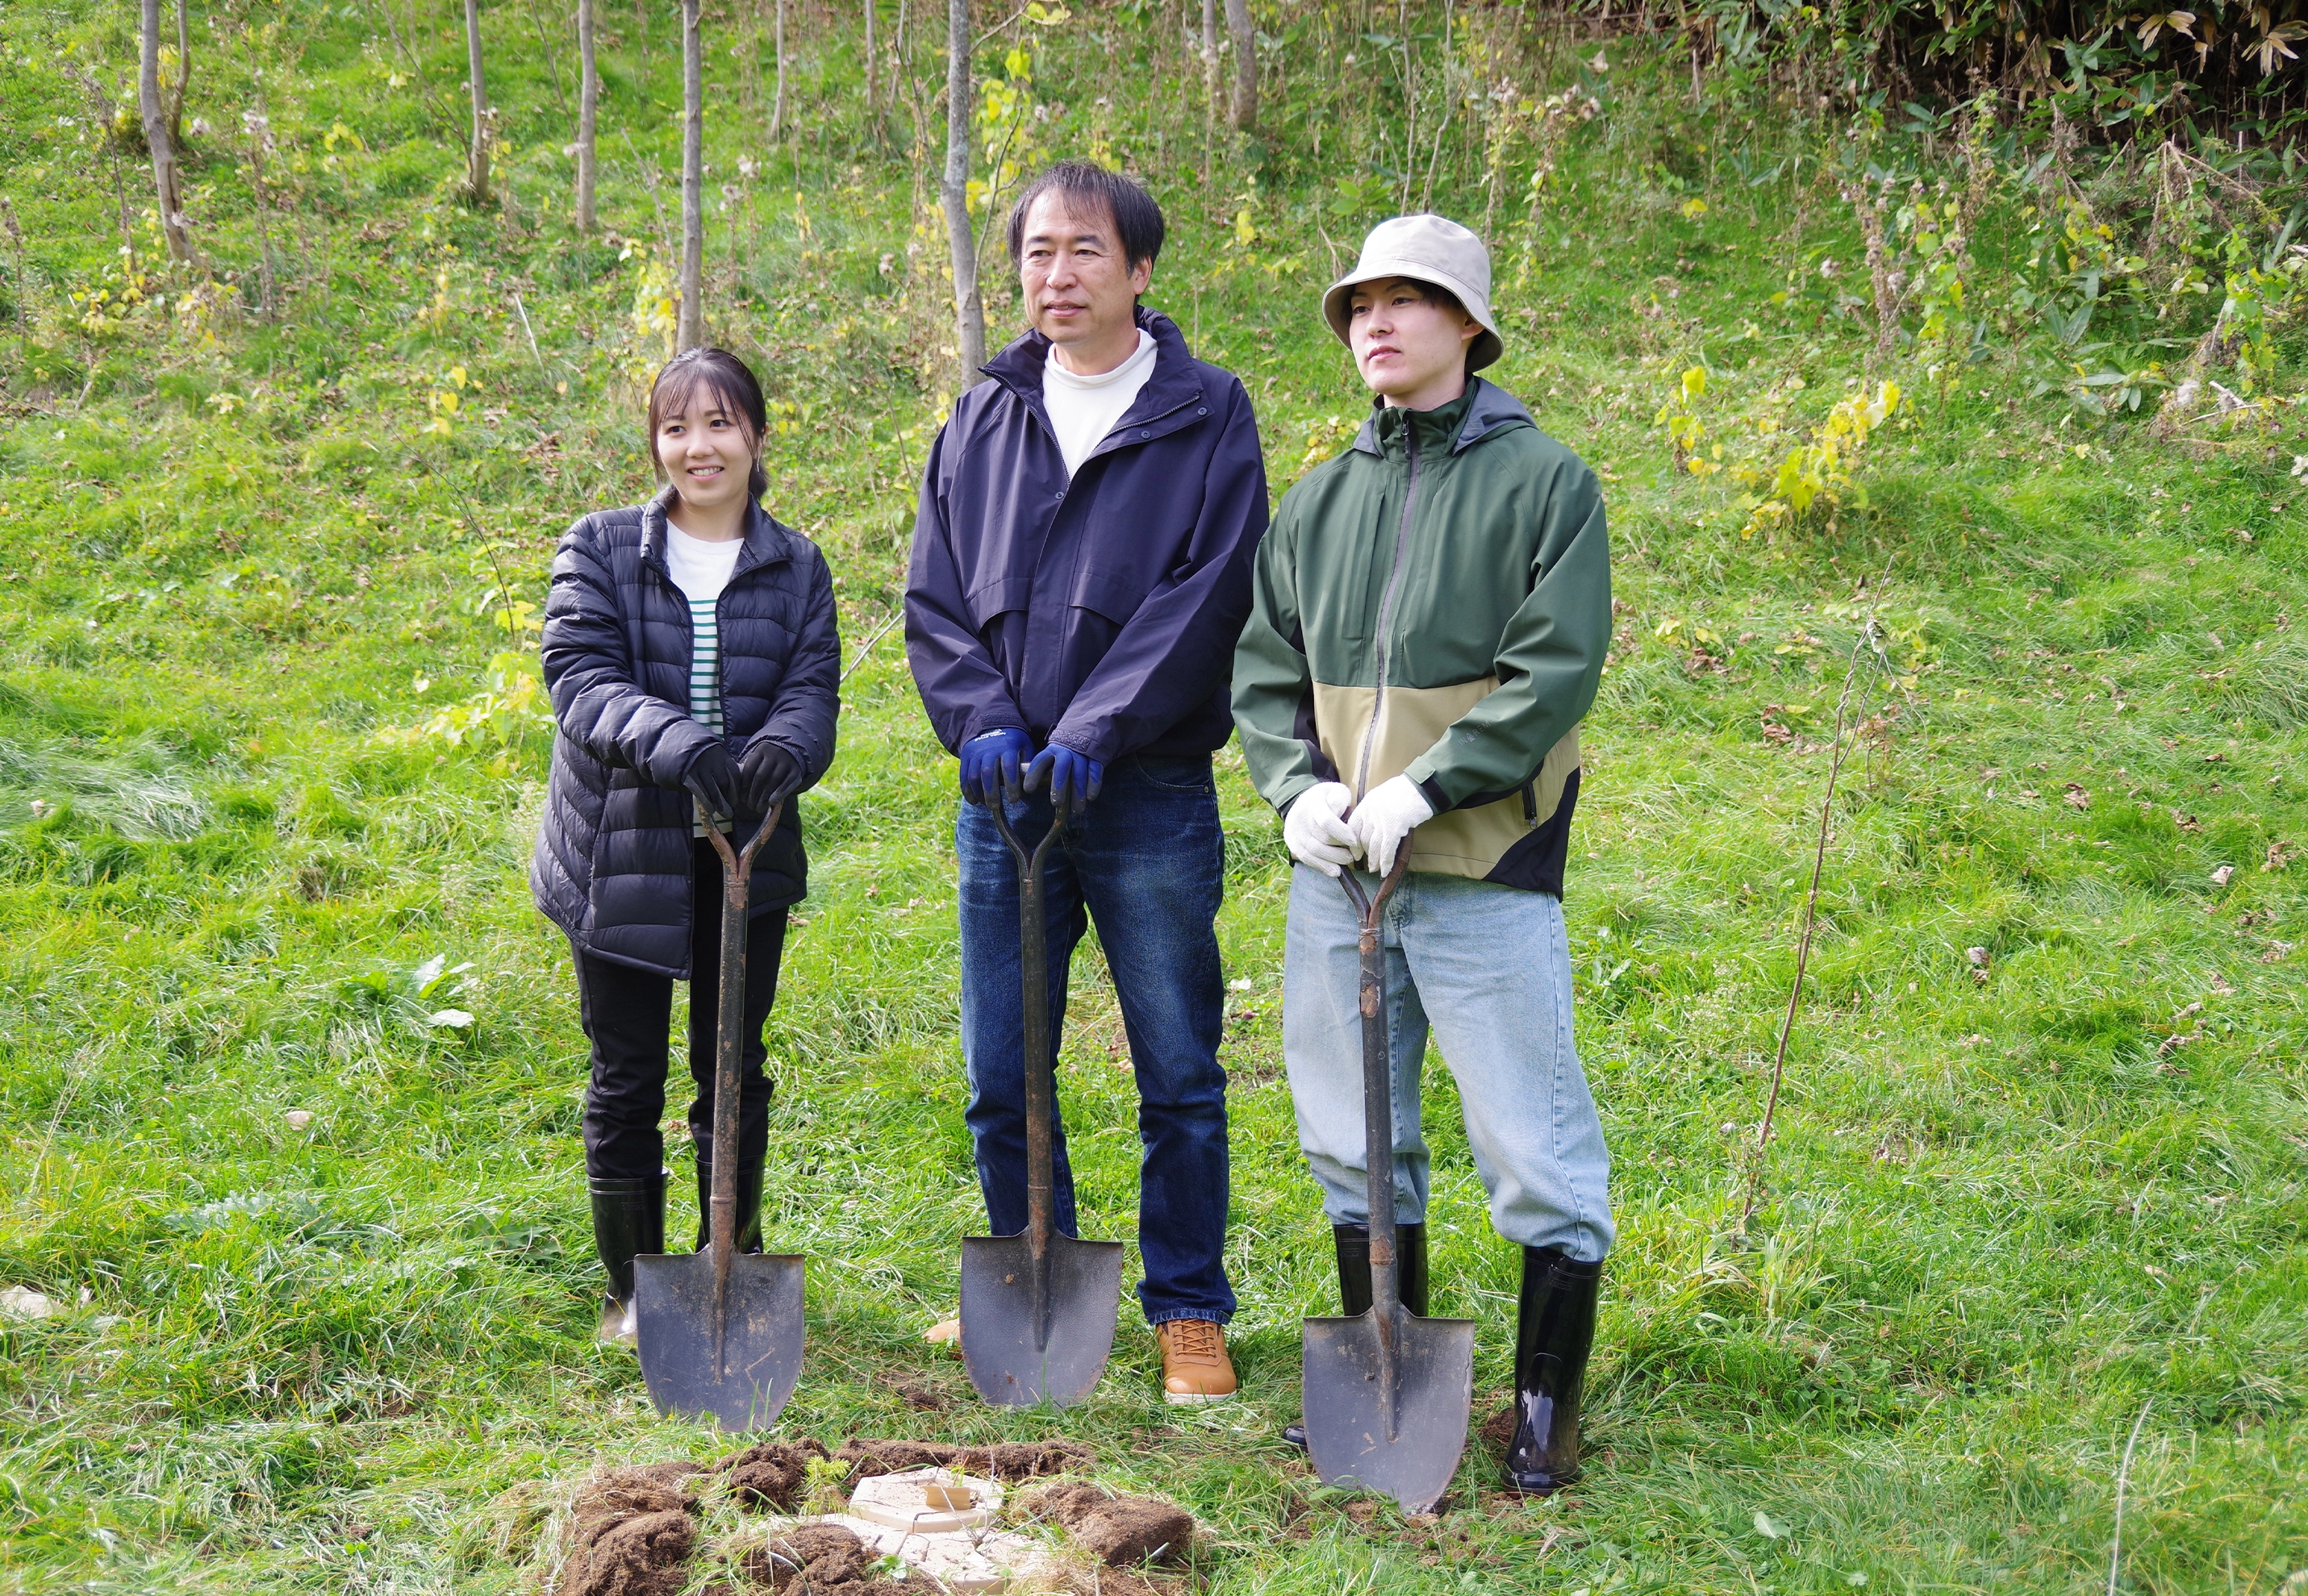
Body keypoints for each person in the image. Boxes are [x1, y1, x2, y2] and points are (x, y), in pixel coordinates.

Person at [1230, 215, 1613, 1490]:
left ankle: (1543, 1411)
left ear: (1468, 326)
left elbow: (1550, 673)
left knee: (1533, 1150)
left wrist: (1427, 786)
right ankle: (1380, 1368)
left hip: (1483, 868)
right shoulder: (1318, 498)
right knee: (1351, 1135)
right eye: (1360, 305)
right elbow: (1267, 672)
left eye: (1408, 300)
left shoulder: (1546, 484)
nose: (1375, 323)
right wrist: (1296, 793)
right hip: (1338, 878)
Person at [904, 160, 1269, 1402]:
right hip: (1008, 798)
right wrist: (983, 725)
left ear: (1141, 271)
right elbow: (933, 594)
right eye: (1037, 253)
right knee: (1002, 1067)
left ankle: (1186, 1308)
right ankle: (1026, 1274)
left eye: (1085, 252)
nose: (1055, 276)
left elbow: (1208, 592)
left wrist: (1099, 726)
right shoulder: (980, 417)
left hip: (1146, 793)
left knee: (1176, 1058)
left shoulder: (1207, 413)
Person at [532, 347, 840, 1343]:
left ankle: (727, 1266)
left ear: (755, 433)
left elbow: (810, 689)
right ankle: (631, 1291)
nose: (696, 447)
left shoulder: (796, 566)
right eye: (675, 427)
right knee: (626, 1069)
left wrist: (776, 755)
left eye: (718, 424)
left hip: (742, 847)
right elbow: (579, 675)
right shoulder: (600, 546)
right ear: (655, 441)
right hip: (618, 848)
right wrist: (686, 747)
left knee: (733, 1064)